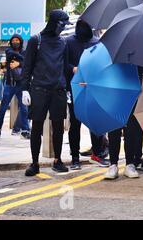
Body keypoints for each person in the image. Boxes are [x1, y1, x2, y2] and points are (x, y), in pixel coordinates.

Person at [21, 9, 72, 176]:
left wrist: (69, 88)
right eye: (62, 24)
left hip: (58, 90)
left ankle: (57, 160)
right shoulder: (36, 40)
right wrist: (24, 90)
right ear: (55, 23)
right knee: (36, 126)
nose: (64, 28)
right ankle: (34, 163)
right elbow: (27, 68)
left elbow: (65, 67)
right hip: (39, 90)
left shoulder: (63, 42)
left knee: (58, 127)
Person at [65, 19, 109, 170]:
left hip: (91, 87)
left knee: (94, 122)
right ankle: (75, 158)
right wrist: (73, 69)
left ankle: (97, 154)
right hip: (74, 88)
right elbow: (64, 63)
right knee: (75, 124)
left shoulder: (96, 42)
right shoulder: (69, 42)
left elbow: (101, 64)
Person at [0, 35, 30, 140]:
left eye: (17, 40)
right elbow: (13, 55)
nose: (15, 42)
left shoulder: (24, 52)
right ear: (11, 42)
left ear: (21, 41)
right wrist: (22, 60)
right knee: (3, 108)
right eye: (13, 40)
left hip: (21, 84)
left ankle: (25, 131)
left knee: (24, 108)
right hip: (9, 84)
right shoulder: (8, 50)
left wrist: (19, 63)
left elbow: (27, 64)